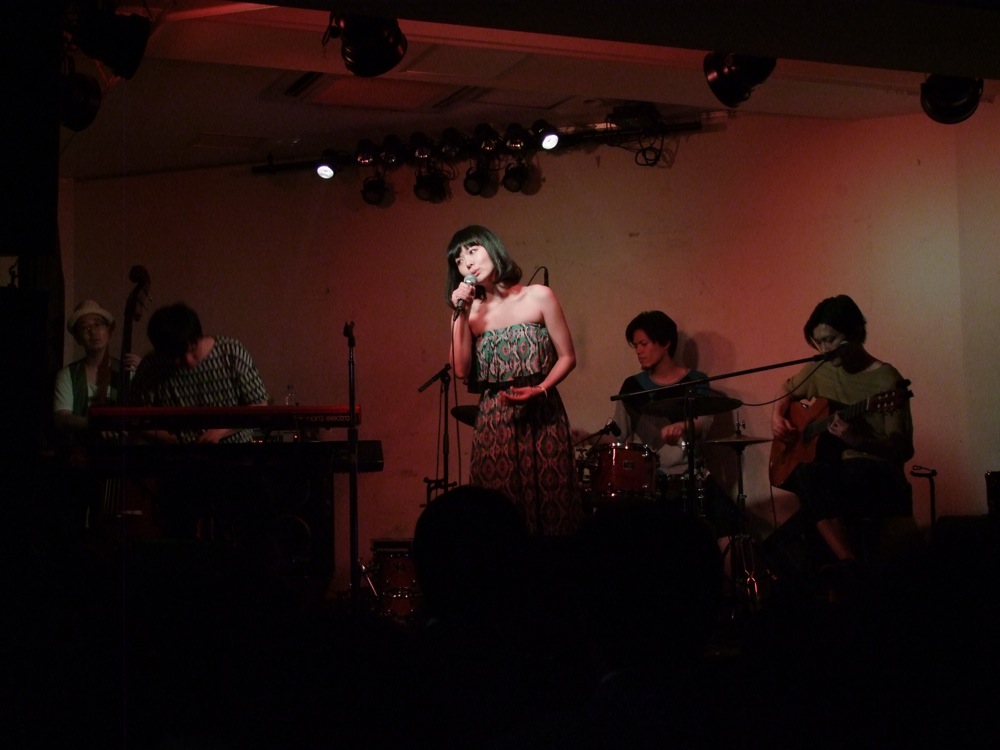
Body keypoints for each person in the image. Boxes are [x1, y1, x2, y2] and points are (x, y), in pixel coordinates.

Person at [447, 225, 582, 536]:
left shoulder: (539, 296)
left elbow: (567, 357)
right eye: (459, 260)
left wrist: (541, 389)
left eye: (472, 251)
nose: (467, 263)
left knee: (552, 503)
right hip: (496, 419)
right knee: (498, 512)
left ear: (492, 248)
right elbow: (460, 369)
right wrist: (459, 314)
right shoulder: (470, 313)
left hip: (542, 413)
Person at [771, 294, 914, 567]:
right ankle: (848, 562)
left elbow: (903, 449)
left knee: (828, 481)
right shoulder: (821, 369)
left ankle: (846, 568)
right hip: (832, 472)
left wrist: (858, 440)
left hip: (873, 471)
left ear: (855, 333)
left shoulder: (886, 379)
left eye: (831, 339)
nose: (824, 349)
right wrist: (777, 417)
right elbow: (786, 389)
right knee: (808, 473)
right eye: (819, 342)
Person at [130, 302, 269, 444]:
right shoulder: (152, 365)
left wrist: (221, 431)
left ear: (197, 337)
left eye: (192, 350)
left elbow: (259, 405)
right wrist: (171, 439)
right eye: (176, 356)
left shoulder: (231, 352)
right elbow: (134, 419)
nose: (188, 360)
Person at [53, 299, 141, 441]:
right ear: (78, 338)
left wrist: (144, 372)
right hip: (81, 450)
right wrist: (97, 424)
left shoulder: (126, 371)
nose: (93, 332)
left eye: (97, 324)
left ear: (108, 330)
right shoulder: (67, 375)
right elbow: (61, 418)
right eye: (84, 328)